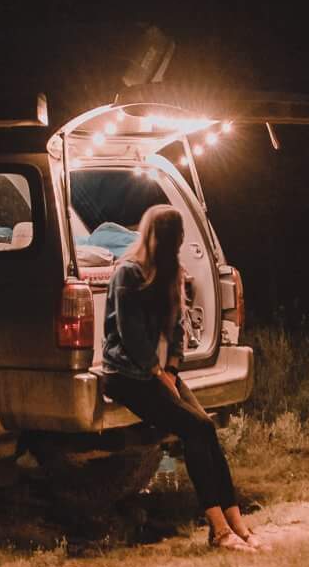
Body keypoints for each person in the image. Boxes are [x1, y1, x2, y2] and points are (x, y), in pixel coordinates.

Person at [101, 204, 257, 548]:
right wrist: (158, 373)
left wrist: (171, 369)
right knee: (196, 427)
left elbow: (177, 330)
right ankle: (218, 530)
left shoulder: (171, 272)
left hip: (159, 374)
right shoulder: (128, 273)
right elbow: (130, 336)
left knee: (205, 430)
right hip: (126, 374)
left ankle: (236, 522)